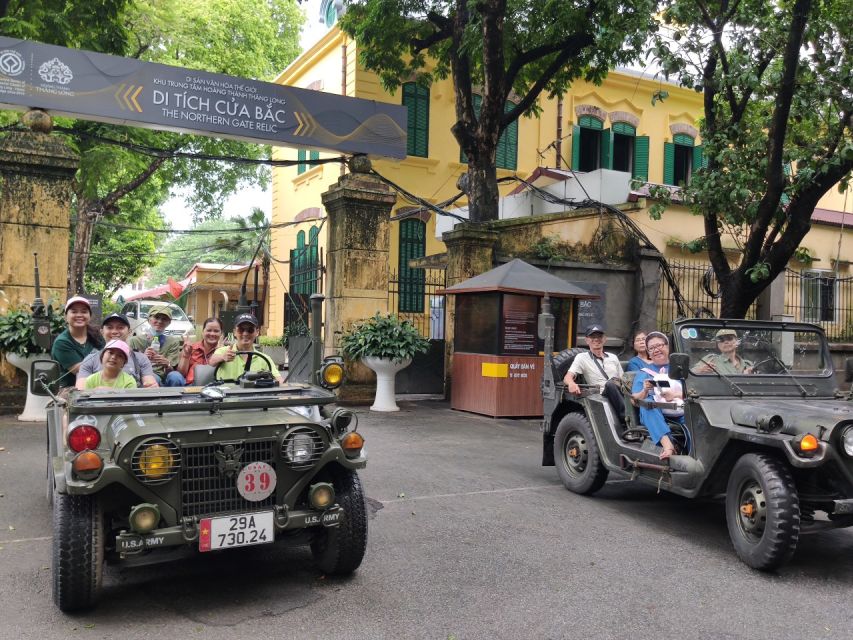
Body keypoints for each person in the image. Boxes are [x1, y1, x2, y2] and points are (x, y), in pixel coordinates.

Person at [630, 331, 684, 459]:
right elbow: (634, 400)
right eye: (652, 348)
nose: (656, 350)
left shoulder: (679, 369)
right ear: (648, 352)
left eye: (659, 345)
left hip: (680, 411)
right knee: (648, 404)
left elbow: (694, 392)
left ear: (667, 347)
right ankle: (668, 445)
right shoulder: (644, 373)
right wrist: (644, 390)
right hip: (656, 414)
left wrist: (675, 394)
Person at [76, 313, 158, 389]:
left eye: (120, 327)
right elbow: (81, 391)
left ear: (129, 331)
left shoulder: (141, 358)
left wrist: (152, 387)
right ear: (102, 332)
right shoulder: (90, 359)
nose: (115, 331)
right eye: (109, 327)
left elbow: (149, 384)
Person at [563, 324, 625, 423]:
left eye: (599, 336)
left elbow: (623, 379)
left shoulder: (613, 357)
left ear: (604, 339)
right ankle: (625, 417)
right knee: (610, 384)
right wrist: (571, 384)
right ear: (587, 340)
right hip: (601, 395)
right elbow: (568, 377)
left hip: (619, 390)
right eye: (592, 337)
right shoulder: (582, 357)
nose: (596, 339)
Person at [51, 296, 104, 387]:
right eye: (74, 311)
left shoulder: (97, 336)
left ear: (90, 316)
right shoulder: (62, 342)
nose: (79, 315)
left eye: (84, 311)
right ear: (66, 317)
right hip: (69, 389)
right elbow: (82, 370)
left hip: (99, 383)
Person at [213, 313, 282, 383]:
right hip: (227, 393)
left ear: (257, 332)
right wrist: (223, 357)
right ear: (234, 332)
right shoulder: (223, 351)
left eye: (250, 330)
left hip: (253, 393)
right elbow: (212, 361)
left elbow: (279, 380)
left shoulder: (264, 359)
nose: (245, 334)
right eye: (241, 330)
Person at [128, 305, 185, 386]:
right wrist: (143, 358)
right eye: (157, 317)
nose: (160, 321)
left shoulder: (173, 341)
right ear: (149, 320)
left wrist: (167, 364)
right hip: (145, 376)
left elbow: (172, 369)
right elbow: (130, 368)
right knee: (154, 378)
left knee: (176, 377)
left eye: (164, 319)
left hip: (165, 376)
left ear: (169, 322)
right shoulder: (135, 340)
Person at [177, 317, 225, 384]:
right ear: (203, 332)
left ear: (221, 333)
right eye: (209, 330)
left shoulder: (224, 352)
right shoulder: (191, 348)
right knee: (174, 376)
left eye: (216, 331)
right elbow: (181, 374)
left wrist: (219, 352)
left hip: (213, 386)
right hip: (190, 386)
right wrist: (185, 356)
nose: (212, 334)